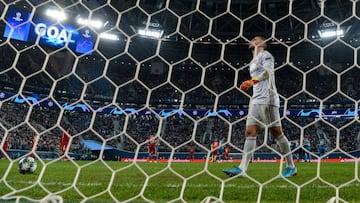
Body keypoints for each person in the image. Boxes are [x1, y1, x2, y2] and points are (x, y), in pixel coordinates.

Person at [223, 36, 297, 178]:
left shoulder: (266, 55)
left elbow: (268, 72)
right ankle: (242, 169)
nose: (252, 40)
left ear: (263, 43)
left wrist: (252, 81)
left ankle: (291, 166)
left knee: (276, 132)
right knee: (250, 132)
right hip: (256, 100)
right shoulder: (252, 62)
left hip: (267, 98)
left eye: (255, 39)